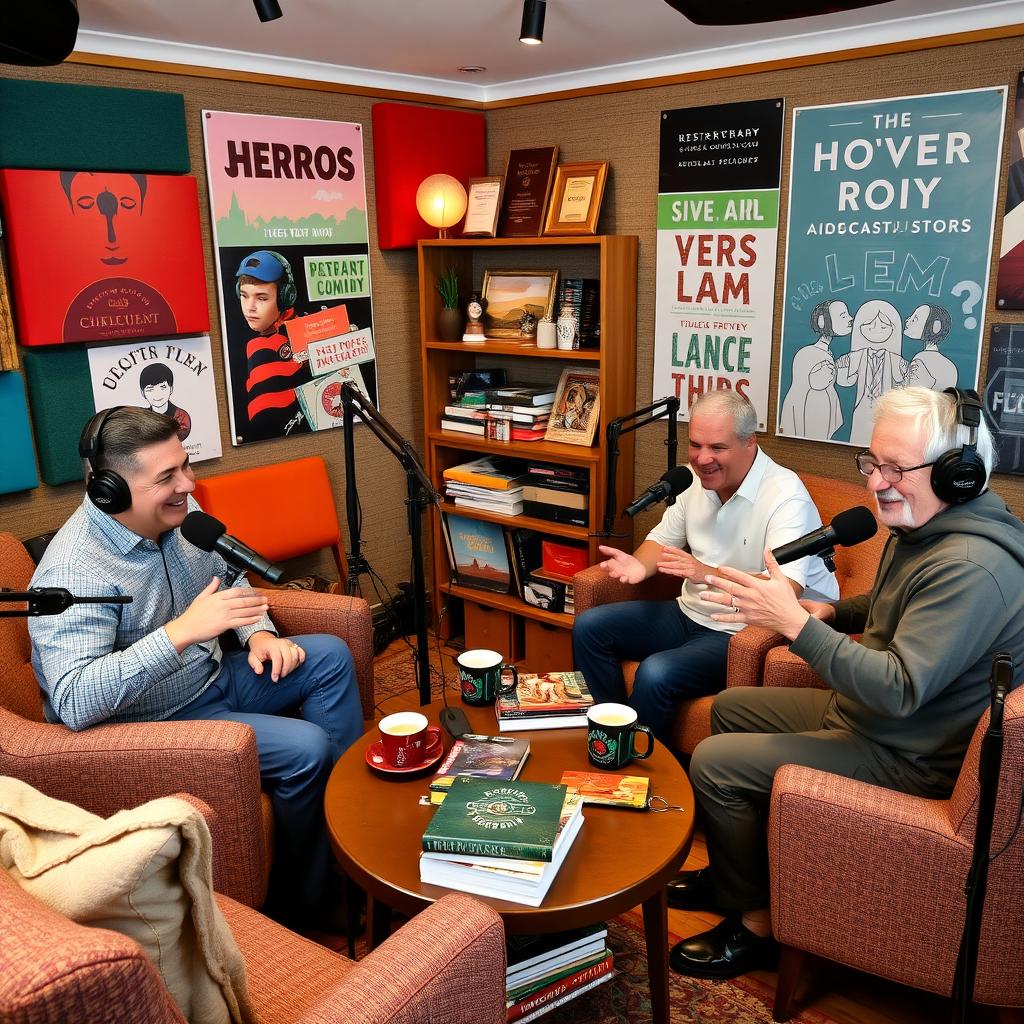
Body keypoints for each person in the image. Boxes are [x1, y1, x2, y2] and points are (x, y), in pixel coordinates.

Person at [668, 387, 1024, 980]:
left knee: (715, 761)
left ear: (960, 474)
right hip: (879, 720)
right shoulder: (932, 527)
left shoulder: (969, 566)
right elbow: (898, 607)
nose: (876, 484)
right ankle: (736, 874)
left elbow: (897, 687)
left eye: (895, 469)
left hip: (910, 750)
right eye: (873, 463)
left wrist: (797, 623)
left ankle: (756, 925)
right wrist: (837, 613)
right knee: (731, 710)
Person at [27, 406, 363, 929]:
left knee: (329, 657)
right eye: (167, 477)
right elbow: (74, 701)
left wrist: (259, 634)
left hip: (212, 677)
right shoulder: (73, 570)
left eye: (185, 464)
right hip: (154, 722)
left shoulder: (182, 515)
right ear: (108, 491)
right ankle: (308, 905)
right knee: (306, 750)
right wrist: (181, 632)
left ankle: (346, 845)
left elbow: (229, 578)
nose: (189, 483)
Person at [572, 390, 838, 745]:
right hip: (690, 613)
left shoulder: (785, 496)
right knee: (590, 627)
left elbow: (783, 592)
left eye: (717, 448)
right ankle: (610, 735)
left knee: (656, 672)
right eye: (695, 445)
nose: (702, 458)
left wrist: (704, 573)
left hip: (743, 630)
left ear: (749, 444)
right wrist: (638, 565)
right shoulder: (694, 481)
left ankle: (639, 769)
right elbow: (661, 542)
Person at [236, 249, 311, 437]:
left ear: (287, 296)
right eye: (244, 295)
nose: (249, 307)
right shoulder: (246, 345)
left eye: (261, 298)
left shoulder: (311, 331)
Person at [836, 299, 909, 447]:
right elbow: (844, 381)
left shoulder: (895, 360)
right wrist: (841, 368)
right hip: (862, 408)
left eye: (884, 326)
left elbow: (904, 384)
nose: (876, 329)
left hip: (886, 412)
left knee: (885, 447)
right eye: (869, 324)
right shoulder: (857, 356)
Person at [778, 299, 850, 440]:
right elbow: (813, 383)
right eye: (843, 316)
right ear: (823, 321)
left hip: (820, 420)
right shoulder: (809, 353)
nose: (850, 319)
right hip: (812, 420)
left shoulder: (826, 352)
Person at [902, 303, 958, 391]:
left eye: (915, 319)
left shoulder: (921, 358)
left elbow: (912, 391)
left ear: (935, 327)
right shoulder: (950, 366)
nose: (907, 320)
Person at [138, 362, 191, 441]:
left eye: (163, 387)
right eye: (150, 389)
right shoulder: (140, 418)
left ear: (171, 389)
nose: (157, 394)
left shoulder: (182, 417)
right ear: (143, 393)